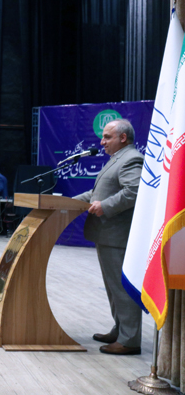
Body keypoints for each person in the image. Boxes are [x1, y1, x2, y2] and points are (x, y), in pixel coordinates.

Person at [73, 119, 144, 355]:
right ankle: (120, 330)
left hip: (117, 236)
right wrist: (67, 203)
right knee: (113, 288)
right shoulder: (116, 159)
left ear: (123, 138)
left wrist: (105, 206)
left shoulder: (131, 158)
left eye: (107, 137)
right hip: (107, 235)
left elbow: (134, 191)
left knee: (122, 289)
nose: (102, 142)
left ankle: (129, 340)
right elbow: (96, 193)